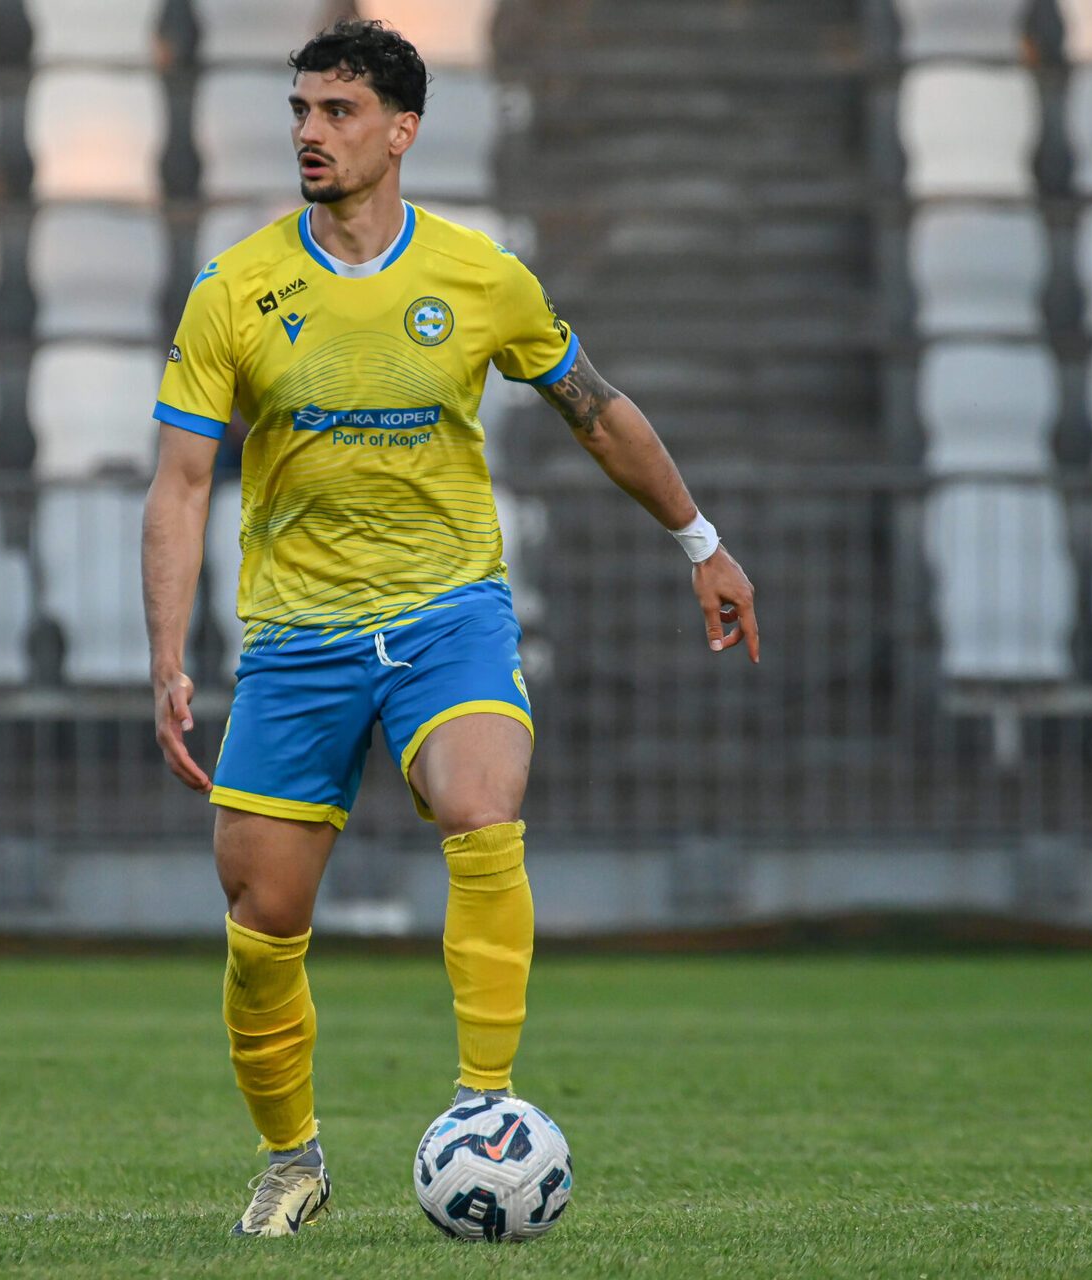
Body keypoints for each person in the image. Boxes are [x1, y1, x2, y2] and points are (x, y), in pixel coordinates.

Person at [140, 19, 759, 1238]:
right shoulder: (235, 289)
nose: (311, 132)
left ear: (402, 130)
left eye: (338, 112)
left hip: (448, 614)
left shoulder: (481, 277)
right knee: (262, 918)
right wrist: (166, 653)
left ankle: (487, 1107)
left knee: (482, 804)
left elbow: (596, 410)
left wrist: (701, 540)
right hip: (298, 636)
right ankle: (292, 1158)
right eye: (301, 110)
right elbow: (181, 480)